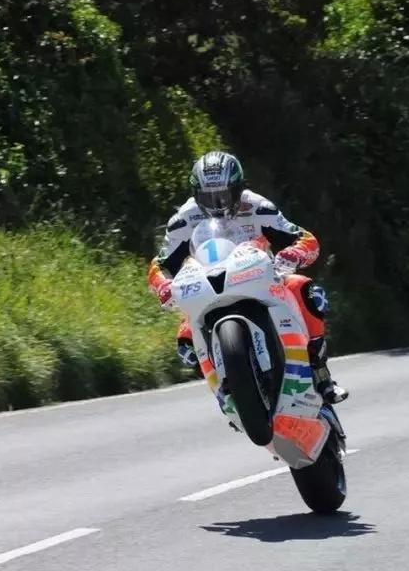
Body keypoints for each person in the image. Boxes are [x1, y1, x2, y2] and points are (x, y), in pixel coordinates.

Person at [147, 151, 348, 405]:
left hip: (259, 279)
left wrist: (292, 254)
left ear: (238, 189)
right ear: (195, 194)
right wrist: (163, 285)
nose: (217, 205)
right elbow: (160, 264)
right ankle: (226, 393)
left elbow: (305, 239)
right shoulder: (183, 221)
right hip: (207, 287)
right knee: (185, 342)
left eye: (224, 195)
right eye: (208, 197)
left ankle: (321, 373)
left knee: (306, 290)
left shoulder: (258, 207)